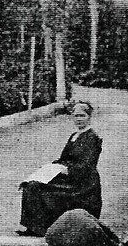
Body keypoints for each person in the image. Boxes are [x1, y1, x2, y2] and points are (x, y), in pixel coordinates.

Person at [17, 101, 103, 237]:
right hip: (69, 176)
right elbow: (64, 158)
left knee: (37, 187)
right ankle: (33, 226)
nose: (79, 119)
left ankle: (41, 228)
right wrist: (52, 167)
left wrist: (68, 170)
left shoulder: (92, 138)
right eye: (76, 116)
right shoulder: (74, 135)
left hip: (82, 183)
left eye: (82, 116)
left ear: (89, 117)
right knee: (31, 184)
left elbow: (87, 165)